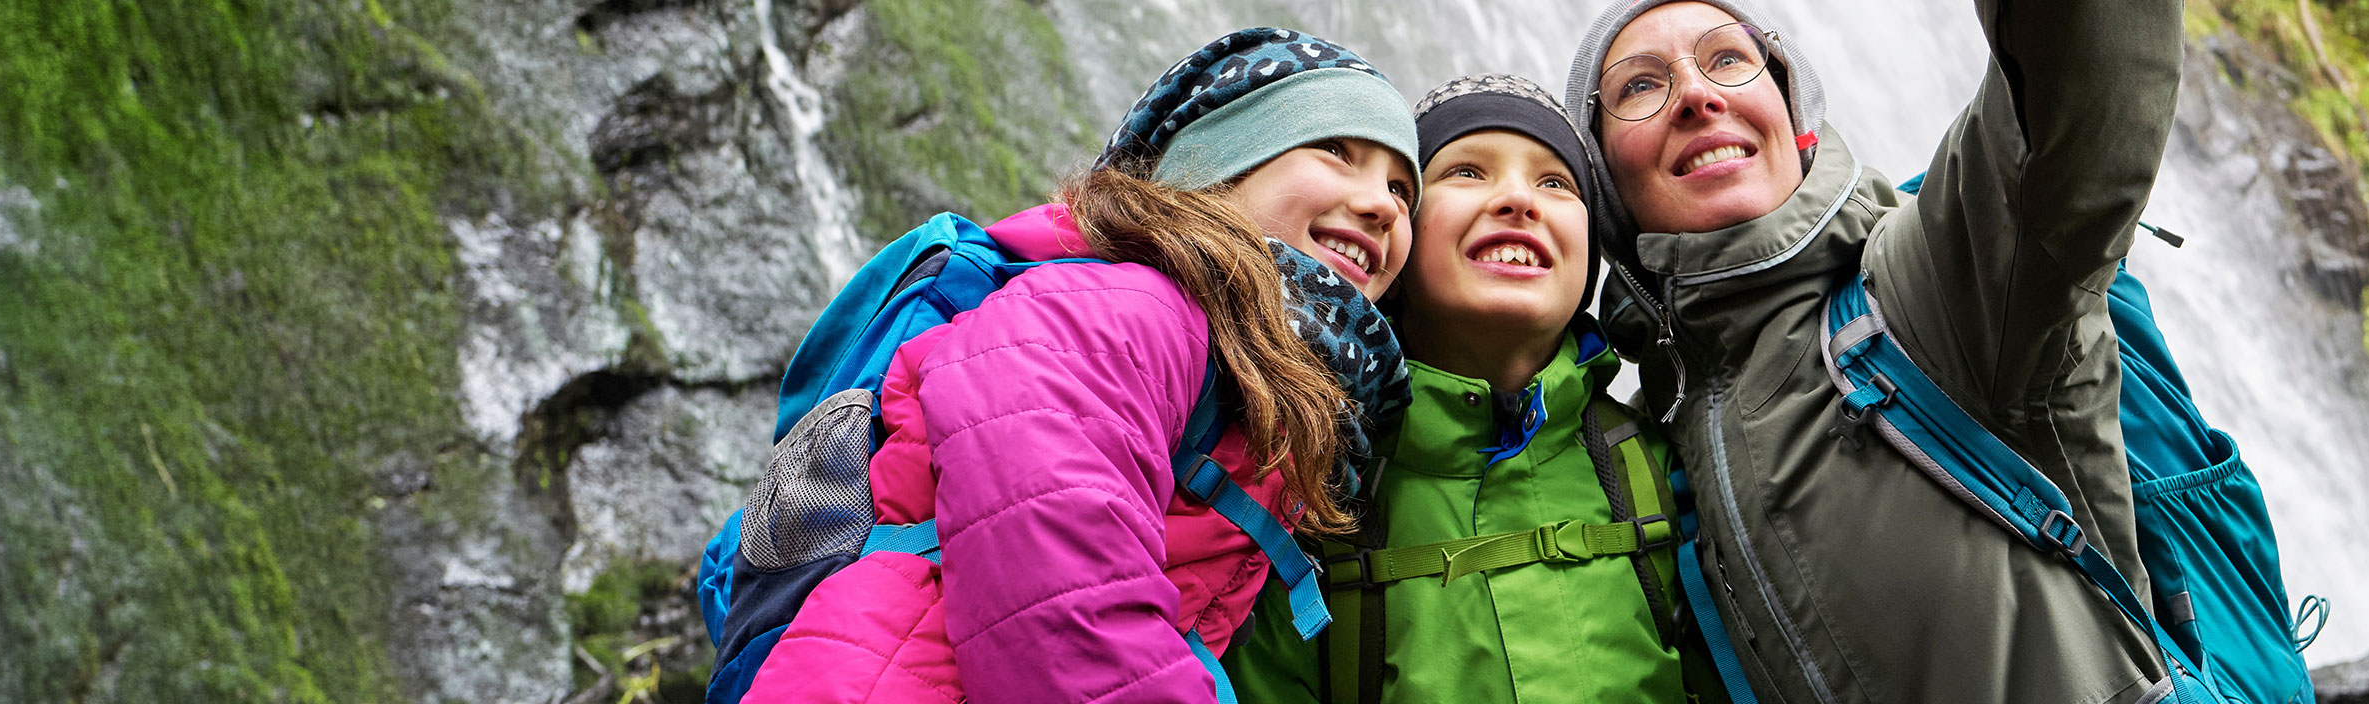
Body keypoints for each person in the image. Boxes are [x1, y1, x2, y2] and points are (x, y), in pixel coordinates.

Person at [752, 27, 1424, 703]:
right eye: (1337, 151)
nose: (1382, 206)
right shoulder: (1122, 309)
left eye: (1402, 190)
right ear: (1220, 163)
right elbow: (1060, 590)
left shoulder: (1264, 391)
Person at [1562, 0, 2187, 701]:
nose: (1697, 95)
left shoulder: (1938, 290)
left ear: (1793, 115)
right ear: (1605, 189)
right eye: (1639, 86)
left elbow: (2074, 91)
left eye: (1729, 58)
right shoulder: (1643, 445)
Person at [1224, 73, 1695, 704]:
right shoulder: (1300, 487)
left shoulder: (1664, 470)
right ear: (1394, 242)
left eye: (1555, 183)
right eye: (1467, 172)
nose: (1518, 200)